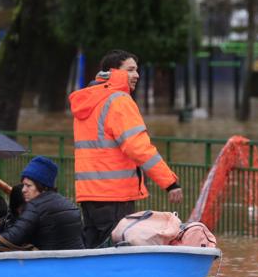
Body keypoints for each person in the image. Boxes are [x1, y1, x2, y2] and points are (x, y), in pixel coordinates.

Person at [69, 49, 183, 248]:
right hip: (115, 195)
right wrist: (170, 183)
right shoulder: (120, 101)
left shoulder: (88, 101)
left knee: (92, 251)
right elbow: (139, 148)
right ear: (113, 72)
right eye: (130, 70)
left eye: (137, 70)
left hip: (89, 194)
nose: (136, 75)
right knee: (117, 252)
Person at [0, 156, 84, 256]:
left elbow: (13, 237)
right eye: (23, 185)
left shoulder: (35, 206)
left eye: (28, 185)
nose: (23, 190)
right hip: (72, 264)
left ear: (42, 186)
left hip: (49, 267)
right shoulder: (68, 203)